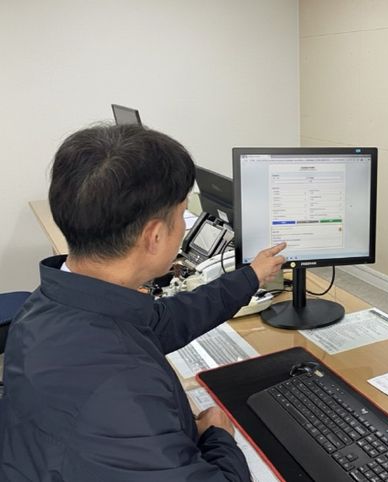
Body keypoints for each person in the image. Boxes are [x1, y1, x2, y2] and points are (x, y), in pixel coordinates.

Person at [0, 125, 286, 481]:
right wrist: (218, 437)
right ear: (155, 235)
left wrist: (251, 276)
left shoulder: (53, 302)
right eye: (182, 215)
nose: (184, 227)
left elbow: (165, 320)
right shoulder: (120, 389)